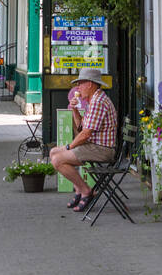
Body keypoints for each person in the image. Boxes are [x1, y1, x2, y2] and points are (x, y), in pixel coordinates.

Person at [49, 69, 117, 212]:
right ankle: (79, 189)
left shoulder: (98, 102)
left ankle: (85, 190)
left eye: (81, 83)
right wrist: (74, 109)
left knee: (57, 160)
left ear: (90, 84)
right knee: (53, 152)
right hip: (93, 145)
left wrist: (69, 147)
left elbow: (85, 134)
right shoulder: (93, 100)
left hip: (102, 149)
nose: (78, 88)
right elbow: (81, 127)